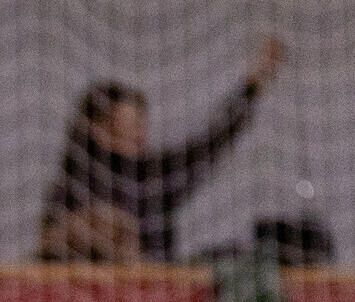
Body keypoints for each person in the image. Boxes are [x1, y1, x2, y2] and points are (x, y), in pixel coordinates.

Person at [37, 36, 287, 263]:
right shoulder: (73, 183)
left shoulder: (156, 175)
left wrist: (252, 85)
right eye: (131, 126)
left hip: (155, 287)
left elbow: (212, 141)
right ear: (98, 129)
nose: (140, 135)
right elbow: (46, 246)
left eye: (142, 125)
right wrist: (89, 227)